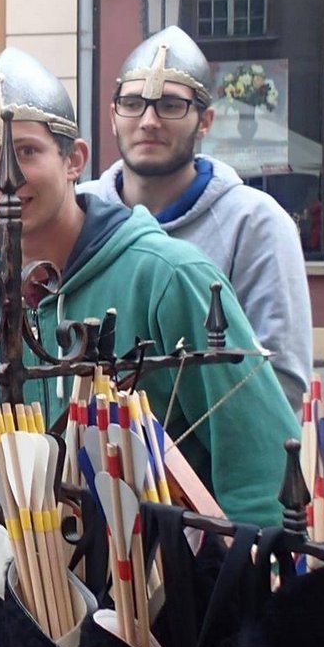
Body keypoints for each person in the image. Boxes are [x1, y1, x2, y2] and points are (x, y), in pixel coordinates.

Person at [0, 47, 298, 525]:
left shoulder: (170, 276)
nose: (3, 178)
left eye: (26, 152)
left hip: (170, 561)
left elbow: (260, 466)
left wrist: (250, 561)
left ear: (74, 160)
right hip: (44, 559)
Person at [79, 25, 311, 407]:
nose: (148, 121)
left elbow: (279, 382)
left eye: (171, 105)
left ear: (205, 121)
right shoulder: (79, 209)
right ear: (113, 115)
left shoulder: (256, 223)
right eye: (133, 103)